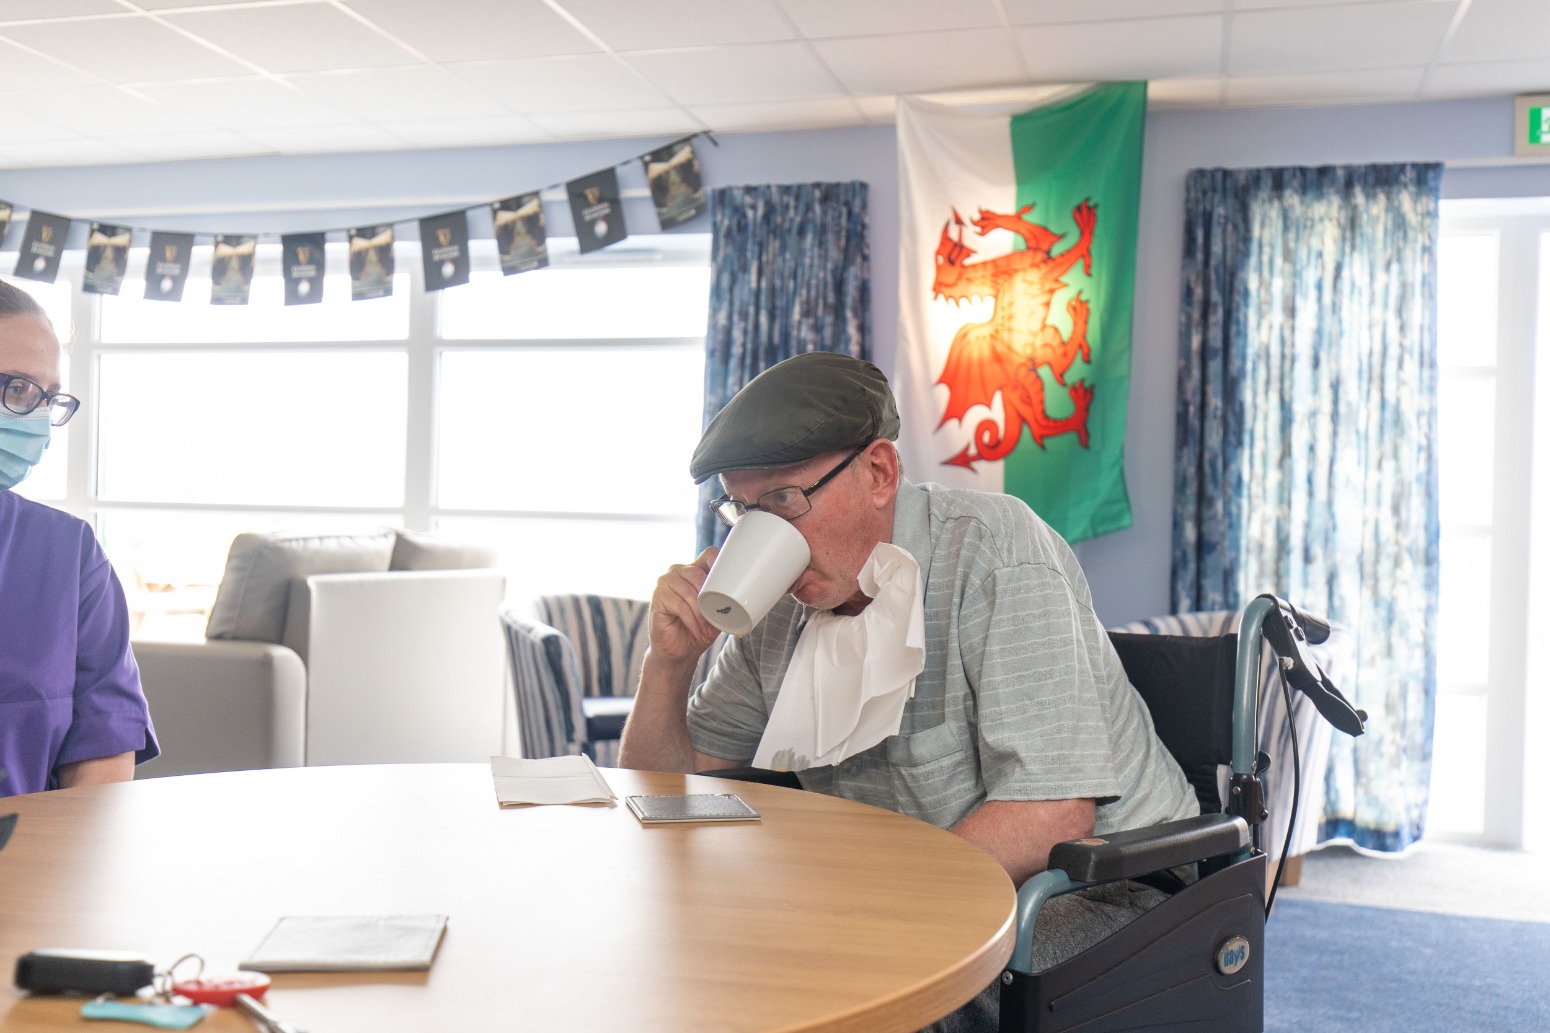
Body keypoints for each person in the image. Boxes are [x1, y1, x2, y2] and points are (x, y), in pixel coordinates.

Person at [619, 351, 1198, 1032]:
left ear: (880, 473)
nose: (761, 535)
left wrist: (861, 908)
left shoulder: (997, 550)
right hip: (913, 891)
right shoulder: (774, 608)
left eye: (784, 501)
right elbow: (664, 793)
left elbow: (1052, 817)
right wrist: (668, 662)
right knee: (701, 956)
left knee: (859, 986)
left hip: (1108, 889)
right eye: (743, 509)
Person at [0, 279, 158, 798]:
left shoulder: (68, 555)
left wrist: (55, 863)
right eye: (19, 389)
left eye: (49, 398)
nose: (39, 419)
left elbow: (104, 742)